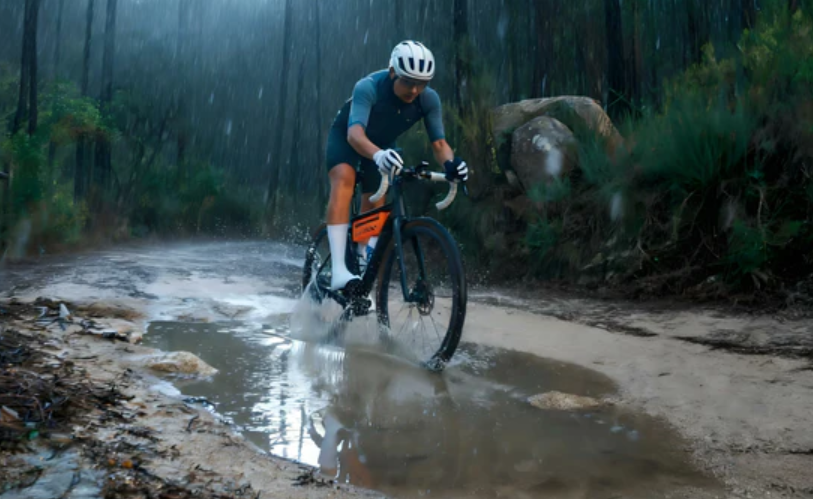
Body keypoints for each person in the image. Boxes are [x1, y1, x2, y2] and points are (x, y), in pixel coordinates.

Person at [324, 40, 469, 291]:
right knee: (344, 180)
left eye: (421, 83)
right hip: (347, 137)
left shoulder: (429, 100)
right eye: (408, 82)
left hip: (382, 145)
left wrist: (452, 164)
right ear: (393, 73)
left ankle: (361, 269)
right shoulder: (368, 87)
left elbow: (439, 144)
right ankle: (338, 269)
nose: (414, 90)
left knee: (376, 202)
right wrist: (378, 156)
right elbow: (355, 135)